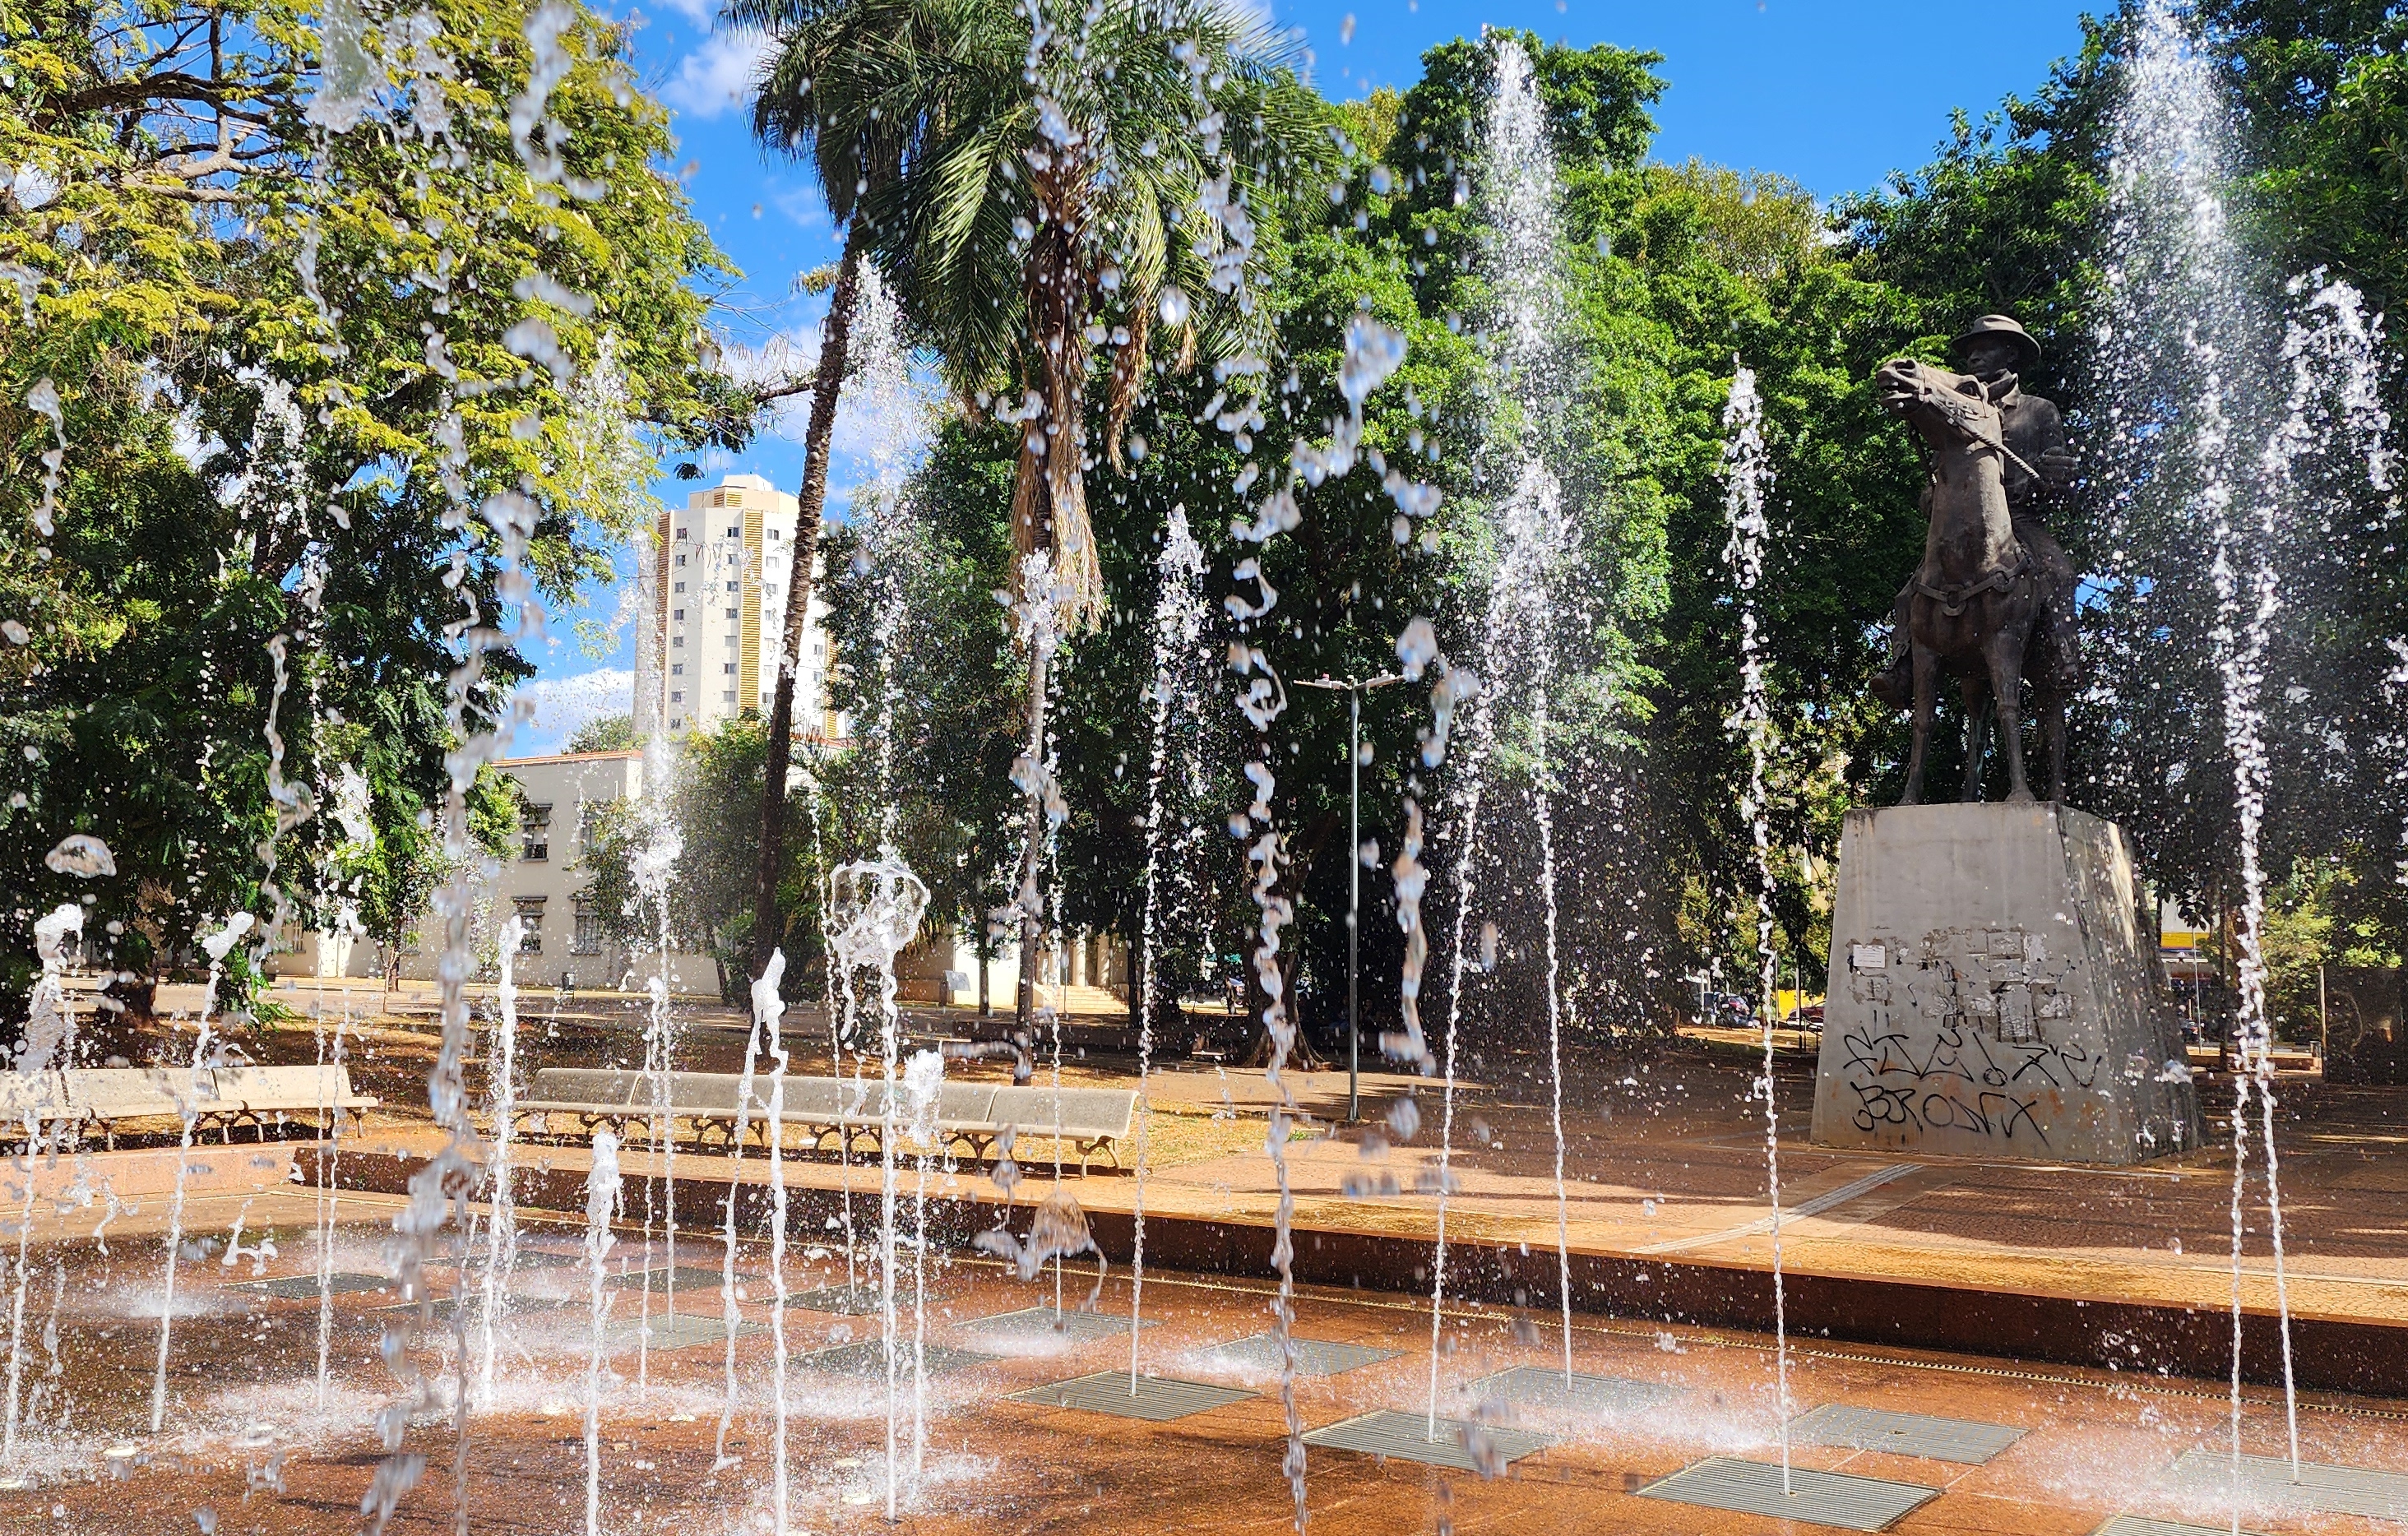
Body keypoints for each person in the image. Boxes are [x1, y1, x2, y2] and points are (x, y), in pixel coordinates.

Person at [1872, 314, 2082, 710]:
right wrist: (1931, 493)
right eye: (1970, 351)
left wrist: (2056, 478)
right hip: (1968, 525)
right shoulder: (1956, 407)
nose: (1974, 357)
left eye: (1984, 348)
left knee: (2059, 571)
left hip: (2020, 521)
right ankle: (1901, 667)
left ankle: (2062, 653)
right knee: (1911, 592)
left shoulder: (2038, 411)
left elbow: (2060, 484)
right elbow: (1943, 467)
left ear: (2010, 352)